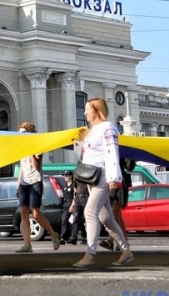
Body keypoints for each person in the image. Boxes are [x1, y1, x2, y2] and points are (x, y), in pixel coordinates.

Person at [72, 97, 134, 268]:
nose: (84, 112)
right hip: (91, 177)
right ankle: (126, 251)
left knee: (89, 212)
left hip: (103, 176)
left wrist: (114, 178)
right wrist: (80, 142)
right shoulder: (93, 130)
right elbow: (84, 155)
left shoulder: (108, 128)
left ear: (96, 111)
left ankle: (90, 254)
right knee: (106, 218)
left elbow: (111, 152)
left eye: (87, 109)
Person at [15, 121, 61, 253]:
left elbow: (36, 166)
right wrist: (18, 185)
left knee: (35, 214)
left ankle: (53, 234)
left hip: (35, 182)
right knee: (23, 213)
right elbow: (22, 168)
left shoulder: (37, 147)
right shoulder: (21, 148)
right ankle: (27, 244)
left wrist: (30, 151)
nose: (21, 136)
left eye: (23, 133)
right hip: (24, 183)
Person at [59, 171, 75, 244]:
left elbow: (75, 196)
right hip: (65, 204)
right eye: (65, 176)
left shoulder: (73, 185)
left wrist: (72, 205)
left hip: (71, 203)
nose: (66, 177)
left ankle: (82, 237)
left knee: (74, 221)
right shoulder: (65, 185)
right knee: (64, 221)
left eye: (67, 176)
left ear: (71, 176)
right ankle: (63, 237)